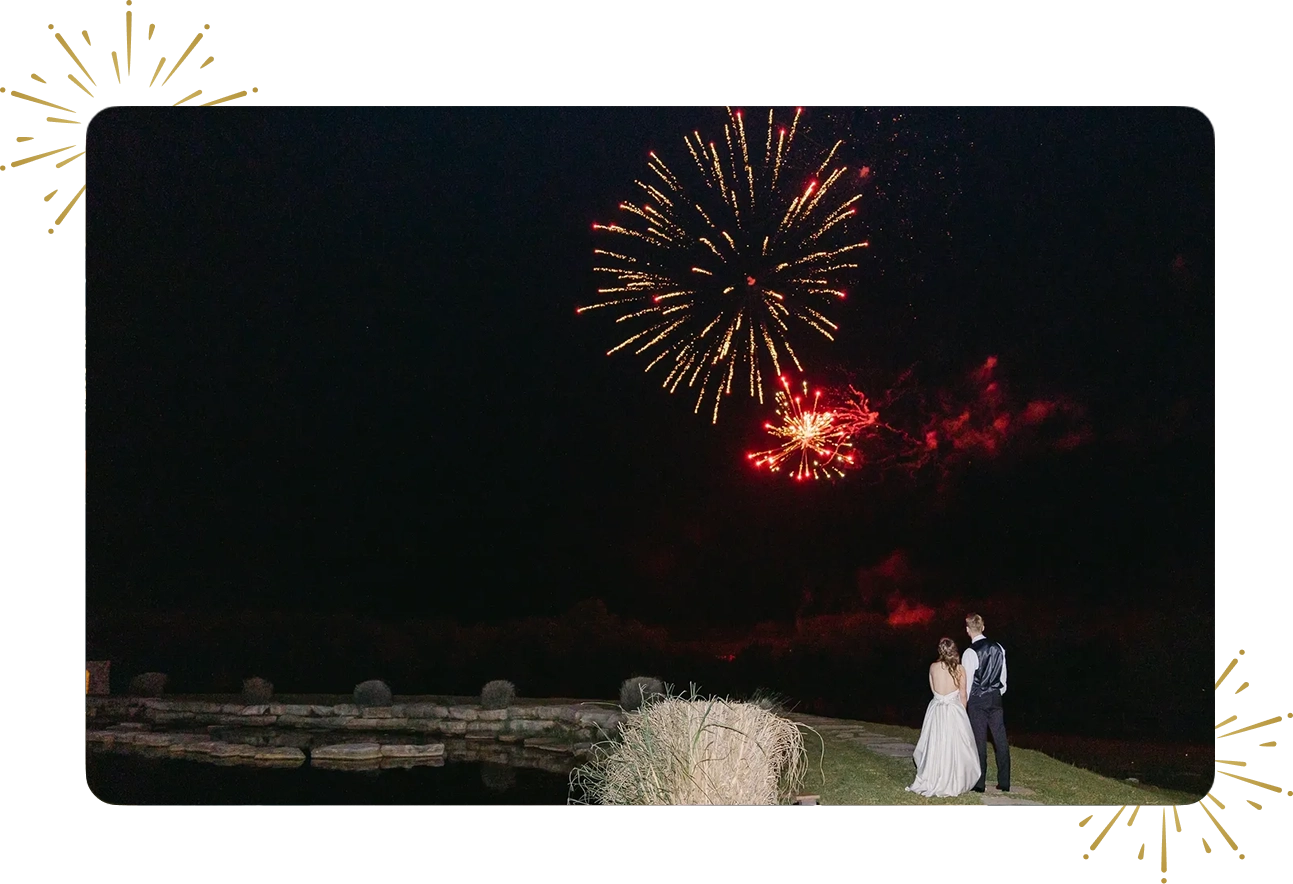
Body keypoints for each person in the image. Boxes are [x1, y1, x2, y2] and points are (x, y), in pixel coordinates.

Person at [905, 637, 981, 797]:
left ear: (940, 651)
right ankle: (953, 779)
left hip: (937, 710)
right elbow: (963, 694)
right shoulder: (960, 669)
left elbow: (933, 690)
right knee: (954, 745)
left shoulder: (933, 667)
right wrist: (962, 713)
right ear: (954, 650)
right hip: (954, 709)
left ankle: (933, 776)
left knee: (936, 743)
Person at [962, 613, 1011, 792]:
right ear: (983, 627)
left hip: (978, 699)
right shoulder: (999, 647)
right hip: (996, 696)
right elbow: (1003, 676)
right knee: (1000, 739)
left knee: (979, 740)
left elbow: (967, 683)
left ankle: (980, 783)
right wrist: (998, 692)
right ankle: (1004, 782)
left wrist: (964, 703)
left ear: (968, 630)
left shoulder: (969, 653)